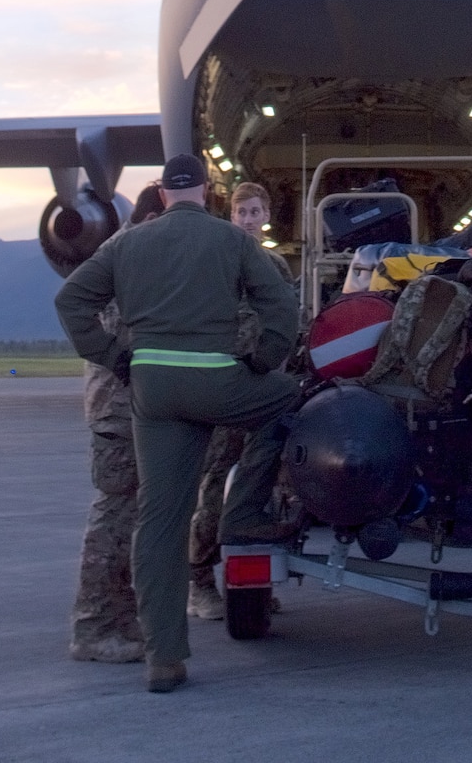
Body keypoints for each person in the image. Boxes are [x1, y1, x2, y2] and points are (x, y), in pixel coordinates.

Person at [55, 152, 300, 694]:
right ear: (211, 194)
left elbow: (70, 299)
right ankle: (242, 519)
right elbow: (281, 305)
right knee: (294, 403)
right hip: (218, 383)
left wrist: (115, 356)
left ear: (163, 195)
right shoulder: (232, 241)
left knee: (159, 522)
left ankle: (164, 658)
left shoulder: (126, 242)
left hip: (151, 394)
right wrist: (264, 360)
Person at [187, 179, 293, 622]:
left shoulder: (277, 266)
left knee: (263, 487)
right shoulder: (219, 260)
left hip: (264, 387)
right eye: (241, 212)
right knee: (214, 485)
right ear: (230, 217)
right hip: (225, 387)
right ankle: (199, 580)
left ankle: (253, 582)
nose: (248, 219)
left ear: (267, 215)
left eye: (255, 211)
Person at [68, 181, 165, 663]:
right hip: (117, 409)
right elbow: (88, 316)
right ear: (152, 221)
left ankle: (119, 619)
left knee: (130, 515)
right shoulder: (120, 258)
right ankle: (94, 626)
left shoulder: (130, 255)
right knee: (115, 514)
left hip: (131, 407)